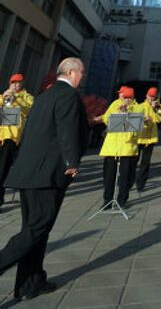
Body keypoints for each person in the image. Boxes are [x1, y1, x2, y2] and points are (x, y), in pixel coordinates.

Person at [0, 58, 87, 302]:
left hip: (29, 173)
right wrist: (72, 163)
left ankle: (30, 283)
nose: (83, 76)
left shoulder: (43, 96)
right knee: (37, 229)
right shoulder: (68, 96)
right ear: (71, 72)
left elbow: (31, 132)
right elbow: (67, 130)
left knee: (36, 230)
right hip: (47, 176)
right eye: (81, 72)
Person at [97, 86, 140, 207]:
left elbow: (138, 127)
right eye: (122, 96)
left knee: (125, 176)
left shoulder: (137, 107)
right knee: (109, 176)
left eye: (126, 97)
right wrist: (118, 114)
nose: (123, 98)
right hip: (112, 147)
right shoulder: (115, 104)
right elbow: (106, 118)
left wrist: (128, 112)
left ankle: (122, 200)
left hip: (127, 148)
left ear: (131, 98)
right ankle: (107, 200)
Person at [0, 73, 34, 209]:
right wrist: (4, 98)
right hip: (1, 136)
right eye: (13, 82)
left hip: (12, 138)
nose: (15, 85)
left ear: (22, 84)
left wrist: (16, 100)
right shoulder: (5, 95)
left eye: (18, 82)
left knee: (2, 170)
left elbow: (29, 109)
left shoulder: (26, 97)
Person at [133, 87, 161, 193]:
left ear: (156, 97)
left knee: (145, 163)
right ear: (146, 95)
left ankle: (141, 184)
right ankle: (129, 181)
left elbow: (159, 119)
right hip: (139, 138)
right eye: (149, 96)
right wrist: (143, 120)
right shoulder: (140, 106)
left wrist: (155, 108)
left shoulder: (158, 107)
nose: (151, 99)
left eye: (153, 97)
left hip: (150, 139)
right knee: (133, 161)